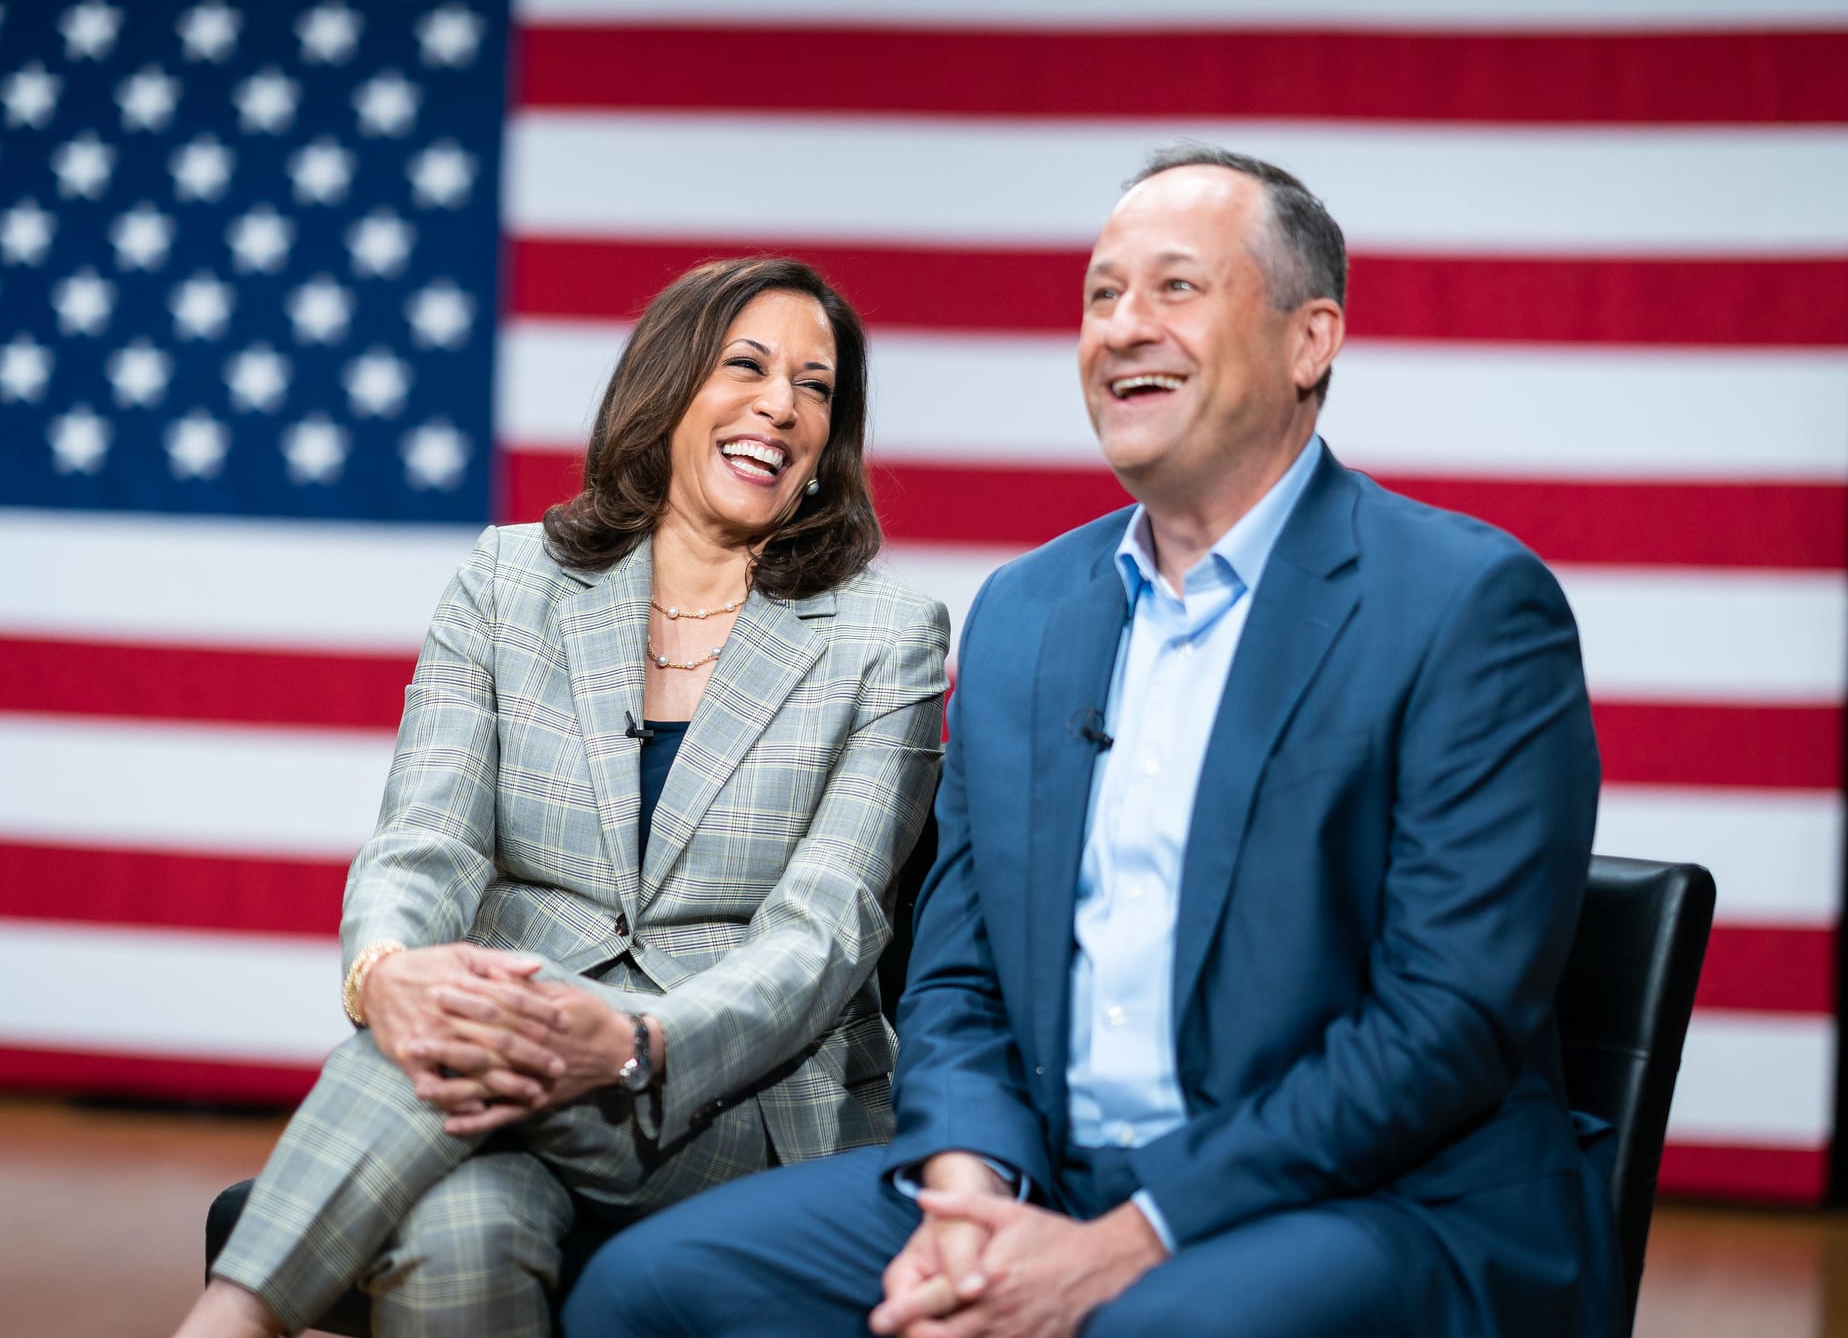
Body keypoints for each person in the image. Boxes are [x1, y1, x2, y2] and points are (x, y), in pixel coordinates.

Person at [563, 145, 1620, 1338]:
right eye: (1099, 294)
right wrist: (967, 1194)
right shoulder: (1025, 614)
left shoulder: (1465, 604)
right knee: (648, 1293)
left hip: (1379, 1202)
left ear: (1309, 339)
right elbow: (954, 977)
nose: (1122, 328)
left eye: (1175, 288)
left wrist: (1121, 1246)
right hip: (1042, 1177)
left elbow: (1443, 1028)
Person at [174, 256, 951, 1338]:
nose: (781, 404)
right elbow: (421, 844)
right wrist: (386, 975)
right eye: (747, 365)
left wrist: (635, 1044)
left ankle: (224, 1321)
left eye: (815, 387)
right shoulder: (506, 583)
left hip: (732, 1092)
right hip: (515, 1045)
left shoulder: (888, 640)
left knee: (476, 1039)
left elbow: (822, 937)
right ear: (667, 386)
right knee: (462, 1230)